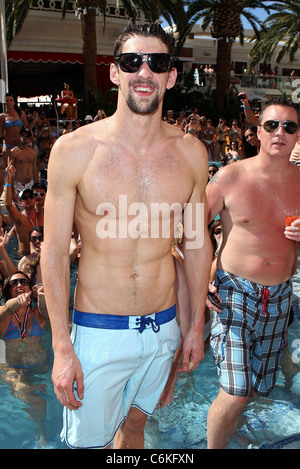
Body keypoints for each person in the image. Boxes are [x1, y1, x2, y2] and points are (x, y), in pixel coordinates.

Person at [41, 21, 212, 450]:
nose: (144, 72)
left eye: (156, 62)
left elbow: (194, 243)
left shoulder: (191, 153)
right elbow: (55, 251)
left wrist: (194, 328)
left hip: (163, 329)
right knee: (88, 445)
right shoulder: (74, 150)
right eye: (131, 61)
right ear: (114, 72)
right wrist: (62, 347)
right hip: (98, 330)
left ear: (171, 76)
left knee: (135, 429)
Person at [206, 96, 300, 449]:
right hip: (235, 292)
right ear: (258, 132)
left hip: (278, 297)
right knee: (234, 392)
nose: (280, 133)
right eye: (272, 125)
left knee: (258, 390)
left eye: (289, 127)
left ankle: (234, 433)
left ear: (297, 136)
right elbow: (189, 227)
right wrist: (202, 278)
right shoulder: (231, 176)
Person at [4, 165, 43, 254]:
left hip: (42, 256)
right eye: (25, 198)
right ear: (20, 203)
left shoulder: (41, 214)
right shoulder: (20, 219)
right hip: (25, 258)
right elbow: (8, 204)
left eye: (31, 196)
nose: (28, 199)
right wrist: (8, 179)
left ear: (35, 198)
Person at [0, 93, 38, 168]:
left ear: (14, 102)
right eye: (7, 100)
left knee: (20, 169)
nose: (9, 102)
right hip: (7, 145)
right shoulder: (2, 116)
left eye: (11, 100)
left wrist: (35, 120)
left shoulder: (20, 114)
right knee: (9, 170)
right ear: (4, 102)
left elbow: (28, 127)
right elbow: (1, 134)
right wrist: (2, 146)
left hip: (19, 145)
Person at [8, 128, 39, 198]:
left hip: (31, 184)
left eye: (26, 136)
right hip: (18, 185)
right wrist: (12, 191)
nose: (24, 137)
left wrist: (37, 186)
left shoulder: (33, 152)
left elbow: (35, 170)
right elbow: (9, 173)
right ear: (19, 136)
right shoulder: (13, 152)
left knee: (31, 207)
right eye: (22, 135)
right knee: (18, 207)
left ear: (29, 138)